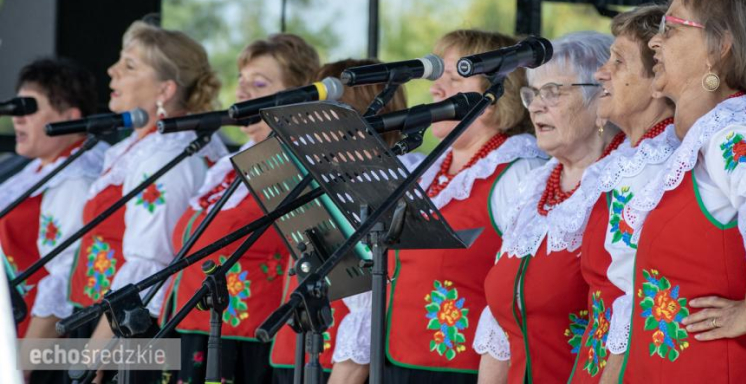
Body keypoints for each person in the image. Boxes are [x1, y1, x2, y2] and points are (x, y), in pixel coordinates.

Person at [331, 30, 548, 384]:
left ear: (494, 94)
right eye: (437, 78)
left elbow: (518, 300)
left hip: (461, 374)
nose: (435, 89)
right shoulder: (424, 170)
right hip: (393, 366)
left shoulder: (519, 171)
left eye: (453, 78)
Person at [617, 0, 746, 383]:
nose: (655, 42)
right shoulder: (708, 137)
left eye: (670, 29)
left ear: (719, 47)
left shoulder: (732, 133)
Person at [160, 34, 321, 384]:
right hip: (192, 329)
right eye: (242, 82)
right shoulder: (227, 165)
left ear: (297, 94)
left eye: (259, 83)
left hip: (245, 342)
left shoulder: (295, 164)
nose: (243, 92)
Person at [65, 21, 226, 351]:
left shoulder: (167, 156)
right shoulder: (149, 148)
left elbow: (150, 265)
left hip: (130, 333)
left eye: (129, 66)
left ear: (164, 90)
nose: (112, 71)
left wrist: (95, 355)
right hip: (110, 320)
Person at [475, 31, 624, 383]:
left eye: (553, 92)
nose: (537, 106)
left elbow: (627, 324)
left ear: (600, 96)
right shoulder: (533, 188)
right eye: (533, 94)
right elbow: (499, 333)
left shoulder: (624, 184)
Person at [270, 58, 416, 384]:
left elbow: (368, 306)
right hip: (316, 357)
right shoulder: (336, 180)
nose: (312, 122)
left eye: (325, 110)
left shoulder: (383, 183)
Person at [559, 6, 677, 383]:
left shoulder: (664, 163)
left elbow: (632, 296)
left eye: (619, 61)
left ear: (657, 76)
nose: (600, 73)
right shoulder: (625, 159)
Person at [0, 58, 105, 342]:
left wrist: (26, 361)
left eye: (29, 109)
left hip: (34, 341)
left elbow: (63, 279)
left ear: (70, 117)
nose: (17, 118)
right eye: (17, 108)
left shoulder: (76, 178)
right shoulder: (33, 167)